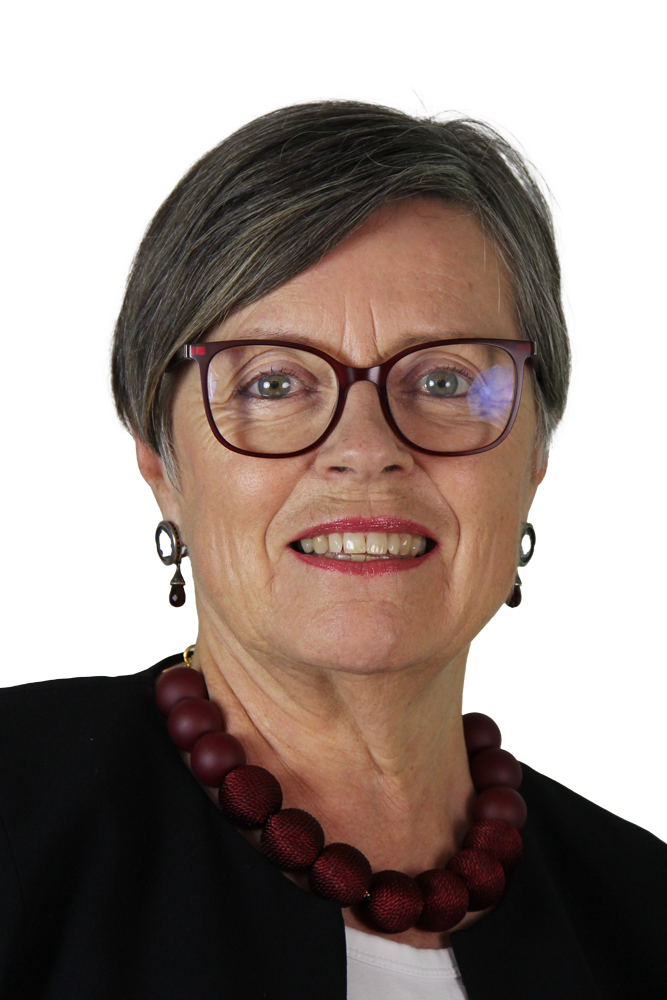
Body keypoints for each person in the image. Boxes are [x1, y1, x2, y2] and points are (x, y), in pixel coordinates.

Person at [0, 99, 664, 1000]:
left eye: (443, 379)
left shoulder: (642, 910)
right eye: (274, 382)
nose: (364, 448)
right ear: (161, 463)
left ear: (534, 457)